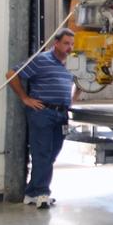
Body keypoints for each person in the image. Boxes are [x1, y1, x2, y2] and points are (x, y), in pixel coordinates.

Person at [7, 28, 79, 209]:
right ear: (56, 43)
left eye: (72, 44)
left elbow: (80, 83)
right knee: (42, 153)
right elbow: (11, 74)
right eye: (66, 43)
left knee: (52, 154)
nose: (69, 47)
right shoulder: (41, 60)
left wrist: (73, 98)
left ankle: (31, 193)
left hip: (61, 114)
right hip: (42, 113)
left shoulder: (72, 64)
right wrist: (25, 98)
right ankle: (41, 193)